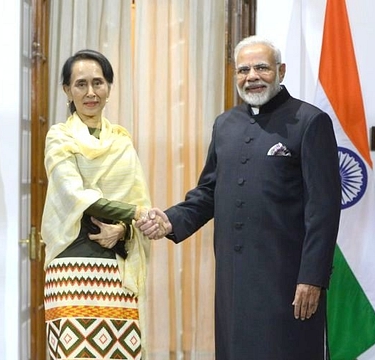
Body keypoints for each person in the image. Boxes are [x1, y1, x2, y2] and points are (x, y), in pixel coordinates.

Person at [137, 35, 342, 359]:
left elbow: (324, 209)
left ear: (281, 71)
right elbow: (208, 192)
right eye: (243, 69)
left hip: (289, 283)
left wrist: (312, 277)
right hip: (234, 282)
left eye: (262, 67)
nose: (252, 76)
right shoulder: (225, 125)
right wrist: (171, 219)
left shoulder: (310, 122)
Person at [41, 49, 157, 360]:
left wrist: (122, 229)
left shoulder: (121, 142)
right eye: (80, 84)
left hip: (118, 270)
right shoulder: (59, 138)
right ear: (67, 90)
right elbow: (75, 195)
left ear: (108, 87)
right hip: (70, 266)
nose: (90, 92)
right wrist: (134, 214)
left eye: (98, 83)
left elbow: (137, 198)